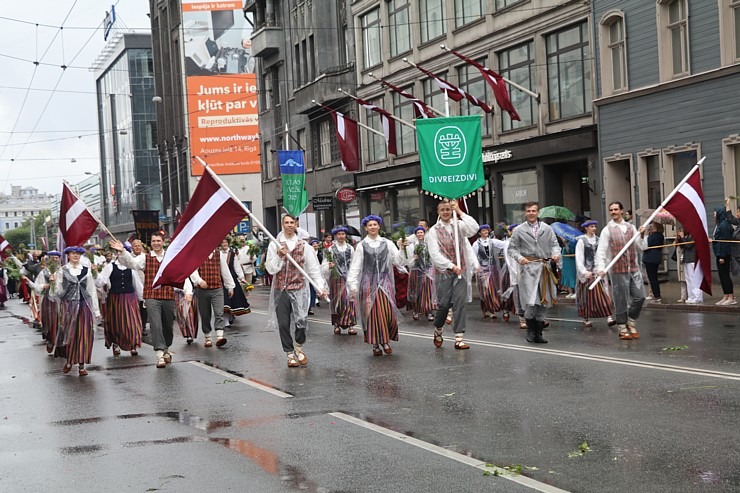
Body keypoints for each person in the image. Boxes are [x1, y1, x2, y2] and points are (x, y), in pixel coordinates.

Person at [266, 214, 327, 367]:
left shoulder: (304, 246)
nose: (289, 225)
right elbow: (270, 268)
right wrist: (280, 256)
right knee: (283, 323)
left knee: (301, 321)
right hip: (281, 289)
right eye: (286, 222)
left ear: (296, 224)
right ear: (282, 225)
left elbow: (313, 269)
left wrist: (320, 287)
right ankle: (289, 353)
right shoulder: (275, 245)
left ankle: (299, 348)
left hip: (299, 288)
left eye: (292, 222)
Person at [111, 234, 177, 368]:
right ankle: (159, 354)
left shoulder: (171, 257)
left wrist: (187, 291)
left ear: (163, 243)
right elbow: (132, 264)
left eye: (158, 240)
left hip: (168, 295)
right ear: (150, 243)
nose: (156, 243)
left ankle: (165, 348)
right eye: (153, 241)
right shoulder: (145, 257)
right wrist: (122, 251)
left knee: (168, 326)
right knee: (156, 324)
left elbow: (180, 274)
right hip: (151, 295)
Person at [347, 215, 405, 356]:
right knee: (372, 313)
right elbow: (356, 266)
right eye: (370, 225)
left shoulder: (387, 243)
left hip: (385, 282)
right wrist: (352, 285)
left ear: (379, 226)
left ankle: (386, 340)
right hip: (368, 282)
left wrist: (402, 248)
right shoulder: (361, 246)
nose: (372, 227)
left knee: (386, 311)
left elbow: (398, 260)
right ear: (366, 228)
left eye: (375, 224)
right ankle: (376, 343)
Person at [426, 199, 480, 350]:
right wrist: (450, 266)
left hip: (460, 272)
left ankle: (459, 337)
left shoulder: (459, 225)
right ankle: (438, 329)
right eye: (442, 210)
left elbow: (474, 228)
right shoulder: (433, 231)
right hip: (443, 272)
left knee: (459, 303)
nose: (445, 212)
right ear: (438, 212)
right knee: (443, 305)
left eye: (448, 209)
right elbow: (434, 254)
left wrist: (460, 212)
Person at [508, 202, 561, 344]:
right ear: (525, 213)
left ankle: (539, 332)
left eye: (534, 211)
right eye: (528, 211)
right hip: (529, 269)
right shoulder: (519, 230)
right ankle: (530, 331)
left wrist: (556, 254)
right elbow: (512, 249)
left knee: (544, 300)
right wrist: (520, 258)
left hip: (545, 268)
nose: (531, 213)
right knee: (531, 301)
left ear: (538, 213)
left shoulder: (547, 229)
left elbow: (555, 245)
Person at [595, 201, 648, 340]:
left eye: (616, 209)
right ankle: (622, 327)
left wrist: (642, 235)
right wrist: (601, 268)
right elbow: (601, 251)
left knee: (640, 296)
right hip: (618, 270)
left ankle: (631, 320)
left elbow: (641, 247)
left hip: (634, 268)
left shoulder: (631, 227)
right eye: (611, 210)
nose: (613, 212)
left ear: (622, 211)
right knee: (621, 300)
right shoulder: (607, 230)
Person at [54, 246, 100, 376]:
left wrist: (96, 311)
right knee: (70, 333)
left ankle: (81, 365)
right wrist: (53, 284)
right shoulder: (62, 271)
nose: (75, 256)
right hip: (69, 306)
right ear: (68, 255)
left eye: (78, 254)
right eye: (73, 253)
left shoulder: (86, 270)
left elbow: (91, 291)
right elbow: (57, 292)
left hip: (84, 305)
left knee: (84, 334)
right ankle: (69, 361)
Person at [96, 244, 143, 357]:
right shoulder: (110, 267)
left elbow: (137, 283)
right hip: (115, 298)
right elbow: (100, 282)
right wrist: (95, 274)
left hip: (130, 297)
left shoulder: (131, 268)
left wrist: (142, 298)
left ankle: (133, 344)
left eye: (121, 252)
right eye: (117, 252)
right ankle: (116, 343)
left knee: (132, 322)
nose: (119, 254)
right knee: (116, 322)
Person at [190, 245, 235, 348]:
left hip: (217, 288)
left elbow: (225, 271)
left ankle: (219, 336)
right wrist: (199, 281)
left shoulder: (219, 254)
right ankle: (207, 336)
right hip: (202, 290)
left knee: (219, 312)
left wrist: (230, 286)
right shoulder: (198, 255)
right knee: (205, 315)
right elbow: (193, 270)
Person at [575, 221, 613, 327]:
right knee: (586, 296)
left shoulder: (599, 240)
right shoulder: (581, 241)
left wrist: (603, 268)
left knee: (604, 294)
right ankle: (585, 318)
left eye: (595, 226)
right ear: (586, 228)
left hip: (598, 271)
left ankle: (609, 317)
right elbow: (579, 258)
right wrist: (583, 271)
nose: (594, 228)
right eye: (592, 226)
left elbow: (603, 254)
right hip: (587, 272)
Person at [322, 226, 357, 335]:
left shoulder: (350, 248)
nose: (341, 236)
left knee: (349, 300)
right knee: (337, 301)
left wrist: (354, 276)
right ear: (335, 236)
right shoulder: (331, 249)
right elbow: (324, 265)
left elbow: (354, 262)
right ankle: (337, 324)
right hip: (336, 279)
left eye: (343, 234)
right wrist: (329, 266)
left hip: (348, 277)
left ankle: (350, 324)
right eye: (339, 234)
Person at [27, 251, 62, 354]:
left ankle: (60, 343)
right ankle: (50, 339)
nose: (55, 259)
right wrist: (44, 286)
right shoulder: (44, 272)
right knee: (50, 321)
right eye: (53, 258)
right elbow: (37, 286)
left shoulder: (64, 271)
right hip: (48, 300)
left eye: (57, 257)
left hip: (61, 300)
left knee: (62, 322)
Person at [472, 224, 505, 319]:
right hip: (482, 269)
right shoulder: (476, 244)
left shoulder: (492, 241)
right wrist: (476, 267)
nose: (486, 232)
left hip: (492, 269)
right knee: (484, 291)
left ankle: (492, 310)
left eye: (487, 230)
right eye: (483, 231)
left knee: (491, 289)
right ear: (479, 233)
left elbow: (504, 244)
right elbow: (473, 256)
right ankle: (485, 309)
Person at [404, 226, 436, 322]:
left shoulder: (429, 245)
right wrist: (414, 258)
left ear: (424, 233)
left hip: (427, 272)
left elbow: (433, 257)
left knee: (428, 291)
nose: (420, 234)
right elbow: (408, 262)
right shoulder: (412, 246)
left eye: (421, 232)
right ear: (415, 235)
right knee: (416, 291)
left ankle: (429, 311)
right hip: (416, 272)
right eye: (418, 233)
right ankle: (416, 311)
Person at [219, 237, 251, 326]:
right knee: (225, 300)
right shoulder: (218, 254)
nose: (224, 244)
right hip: (221, 279)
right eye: (222, 243)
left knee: (232, 299)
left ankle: (230, 316)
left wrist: (241, 277)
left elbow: (236, 266)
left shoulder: (232, 254)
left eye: (226, 242)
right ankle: (226, 321)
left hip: (232, 278)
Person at [713, 205, 736, 305]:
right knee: (721, 275)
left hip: (724, 254)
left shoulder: (724, 225)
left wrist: (722, 256)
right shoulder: (719, 225)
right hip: (719, 252)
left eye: (715, 212)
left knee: (725, 275)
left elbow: (724, 242)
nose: (714, 214)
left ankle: (731, 296)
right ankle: (725, 295)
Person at [675, 229, 703, 304]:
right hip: (686, 259)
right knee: (688, 279)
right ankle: (691, 296)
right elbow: (683, 246)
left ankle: (697, 296)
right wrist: (680, 239)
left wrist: (683, 237)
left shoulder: (694, 234)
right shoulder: (688, 236)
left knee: (693, 278)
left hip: (692, 259)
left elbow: (688, 245)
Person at [642, 223, 665, 304]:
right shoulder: (661, 236)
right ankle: (655, 294)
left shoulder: (653, 236)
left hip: (650, 259)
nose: (650, 228)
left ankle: (656, 295)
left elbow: (645, 245)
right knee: (653, 277)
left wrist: (645, 236)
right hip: (656, 258)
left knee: (652, 278)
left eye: (652, 227)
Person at [130, 239, 149, 334]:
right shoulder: (128, 257)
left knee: (143, 307)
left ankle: (143, 325)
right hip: (131, 284)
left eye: (139, 246)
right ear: (132, 247)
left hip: (143, 282)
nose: (137, 248)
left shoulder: (145, 257)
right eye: (135, 246)